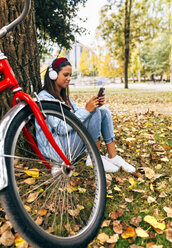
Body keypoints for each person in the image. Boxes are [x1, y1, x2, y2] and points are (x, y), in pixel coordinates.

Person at [36, 57, 136, 173]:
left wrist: (93, 105)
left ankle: (112, 156)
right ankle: (94, 158)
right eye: (65, 75)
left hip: (66, 142)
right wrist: (87, 110)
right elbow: (61, 129)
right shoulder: (45, 97)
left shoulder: (63, 96)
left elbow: (77, 113)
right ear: (53, 75)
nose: (69, 79)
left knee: (103, 112)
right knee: (93, 113)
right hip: (56, 150)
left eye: (70, 76)